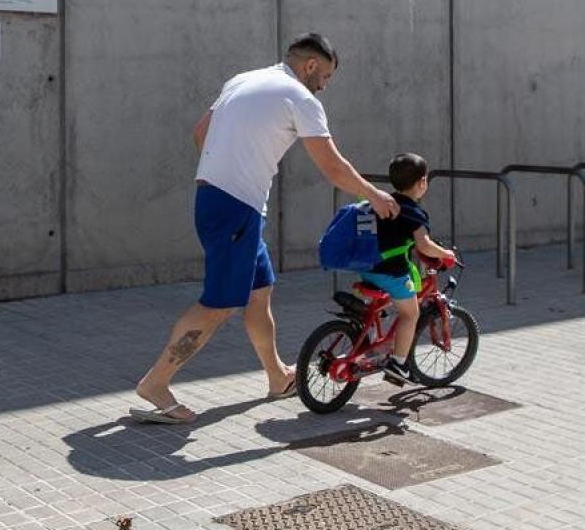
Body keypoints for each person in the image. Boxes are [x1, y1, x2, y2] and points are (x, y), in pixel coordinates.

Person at [130, 33, 400, 424]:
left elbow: (200, 134)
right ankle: (156, 383)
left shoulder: (243, 80)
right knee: (220, 303)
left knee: (259, 292)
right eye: (325, 76)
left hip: (221, 201)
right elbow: (332, 167)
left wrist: (229, 167)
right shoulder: (300, 98)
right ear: (310, 65)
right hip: (235, 208)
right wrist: (373, 195)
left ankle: (277, 377)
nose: (325, 85)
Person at [363, 153, 455, 384]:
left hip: (367, 267)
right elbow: (424, 245)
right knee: (410, 313)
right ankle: (399, 363)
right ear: (422, 182)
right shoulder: (413, 212)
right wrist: (446, 254)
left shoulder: (383, 201)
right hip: (391, 272)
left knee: (381, 304)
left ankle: (369, 343)